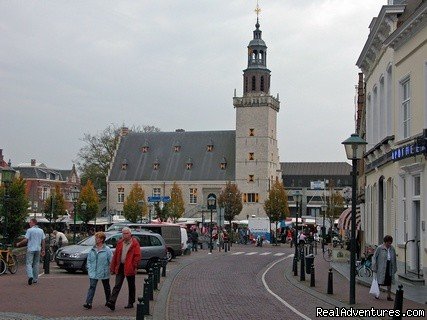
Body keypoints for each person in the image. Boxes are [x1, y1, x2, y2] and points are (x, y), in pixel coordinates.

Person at [106, 227, 141, 310]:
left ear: (130, 234)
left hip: (130, 266)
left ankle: (131, 302)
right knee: (117, 284)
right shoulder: (120, 242)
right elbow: (116, 256)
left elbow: (137, 256)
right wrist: (112, 267)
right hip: (121, 266)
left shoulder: (134, 243)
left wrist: (135, 266)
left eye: (126, 233)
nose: (124, 235)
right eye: (123, 233)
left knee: (131, 285)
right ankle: (112, 302)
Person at [83, 231, 112, 309]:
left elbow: (111, 260)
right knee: (92, 286)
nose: (96, 239)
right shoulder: (92, 249)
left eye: (98, 238)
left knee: (106, 287)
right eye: (96, 238)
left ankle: (108, 301)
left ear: (102, 239)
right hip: (93, 271)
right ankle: (88, 303)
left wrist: (110, 268)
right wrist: (89, 267)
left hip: (104, 271)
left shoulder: (107, 249)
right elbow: (88, 260)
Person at [16, 218, 46, 285]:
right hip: (38, 249)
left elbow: (26, 240)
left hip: (31, 249)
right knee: (36, 264)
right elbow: (43, 241)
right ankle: (35, 279)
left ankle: (30, 276)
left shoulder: (29, 230)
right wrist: (43, 250)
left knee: (29, 263)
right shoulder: (41, 230)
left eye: (30, 222)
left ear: (33, 223)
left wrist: (19, 243)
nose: (29, 223)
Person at [372, 235, 397, 301]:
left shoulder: (392, 249)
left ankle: (389, 296)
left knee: (389, 281)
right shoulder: (380, 248)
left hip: (389, 266)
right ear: (385, 242)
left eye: (390, 243)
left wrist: (394, 268)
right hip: (381, 266)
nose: (389, 244)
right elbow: (374, 257)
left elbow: (394, 258)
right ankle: (377, 294)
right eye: (388, 243)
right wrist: (374, 266)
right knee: (379, 281)